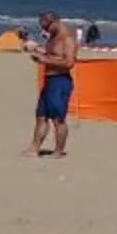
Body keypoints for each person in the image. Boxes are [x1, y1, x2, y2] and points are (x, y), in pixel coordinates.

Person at [26, 9, 79, 158]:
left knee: (58, 118)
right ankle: (34, 148)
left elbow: (69, 63)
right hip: (49, 80)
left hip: (60, 81)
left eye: (46, 26)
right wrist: (37, 51)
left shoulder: (67, 39)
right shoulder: (53, 37)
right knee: (41, 116)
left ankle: (58, 151)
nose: (45, 30)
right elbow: (52, 55)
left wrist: (44, 60)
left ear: (54, 22)